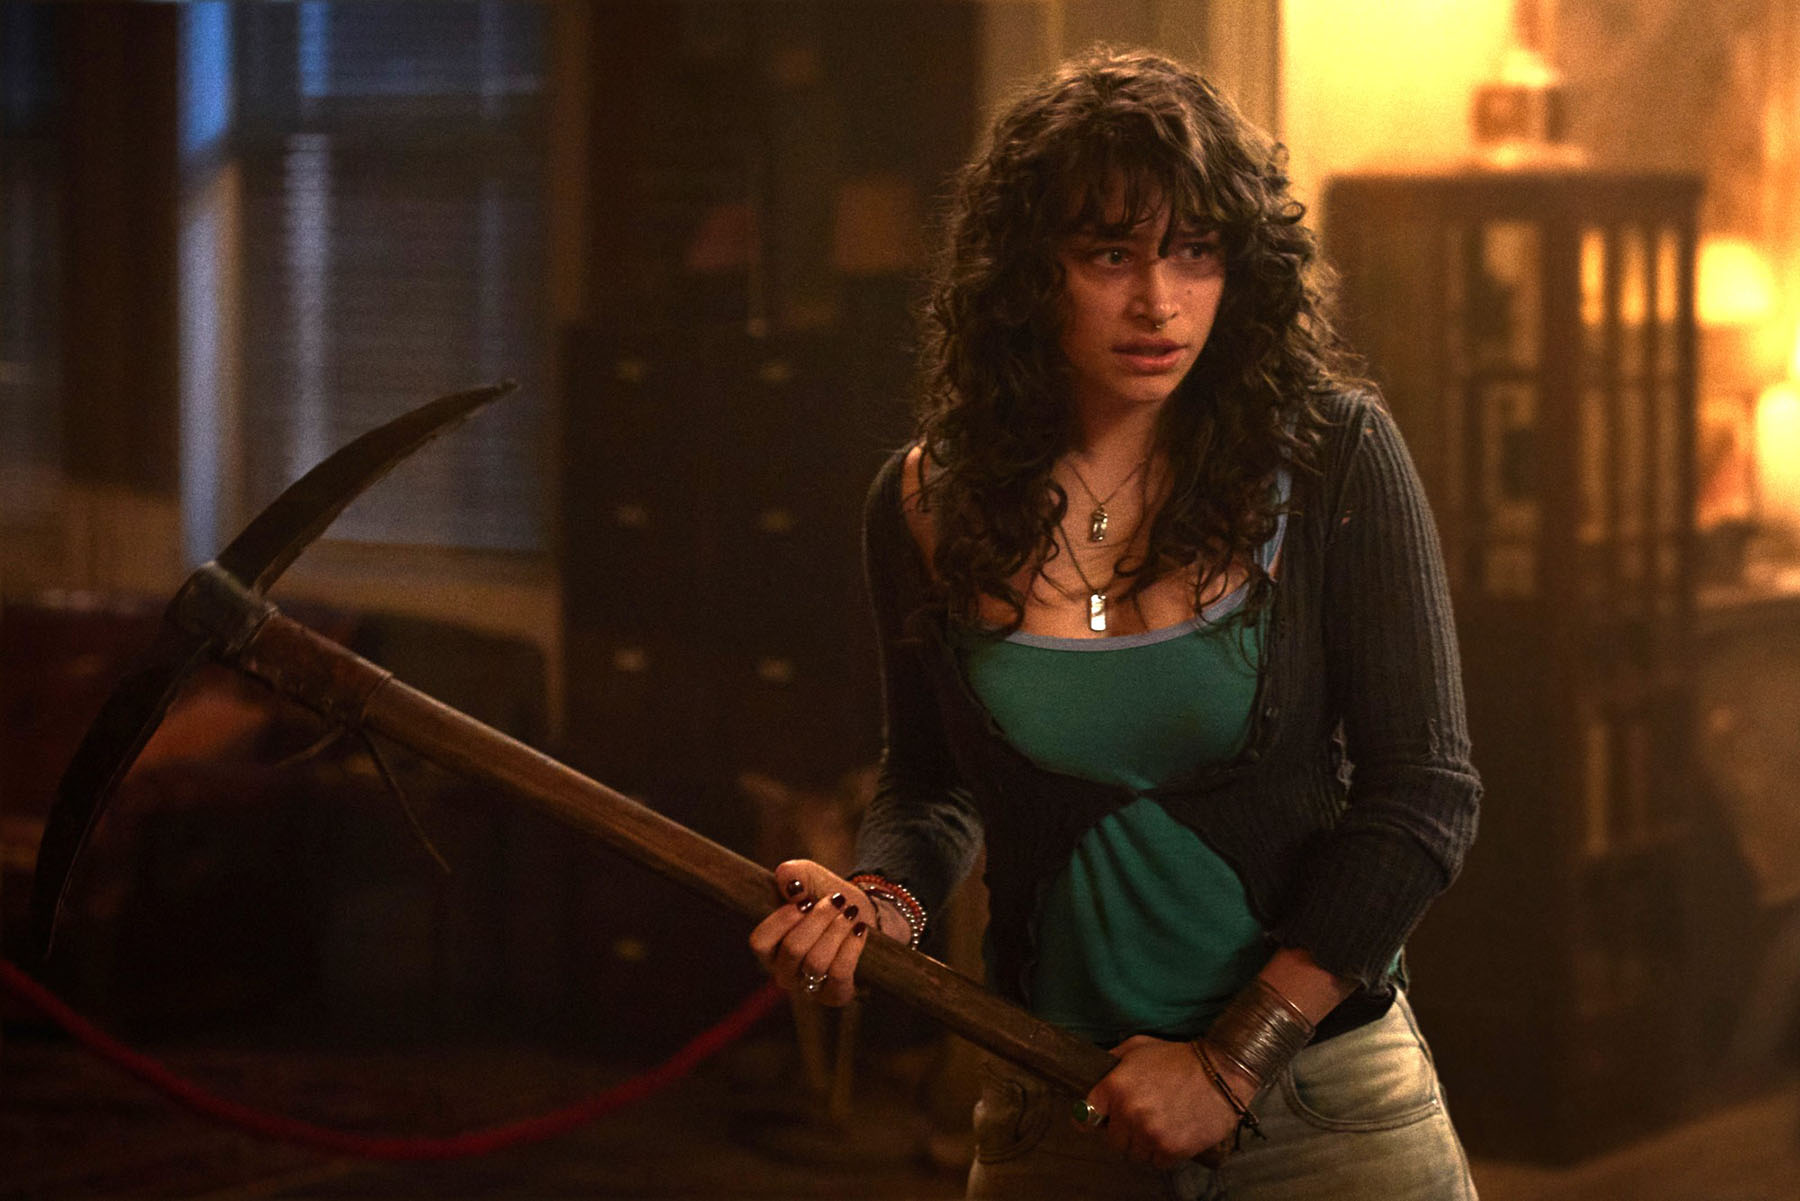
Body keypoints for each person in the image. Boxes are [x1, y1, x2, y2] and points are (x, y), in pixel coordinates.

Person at [749, 46, 1481, 1200]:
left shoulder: (1333, 458)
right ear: (1026, 271)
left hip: (1323, 1109)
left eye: (1196, 253)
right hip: (1056, 1102)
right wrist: (879, 904)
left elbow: (1425, 795)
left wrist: (1231, 1062)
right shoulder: (922, 505)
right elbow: (930, 783)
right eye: (1110, 255)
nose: (1159, 302)